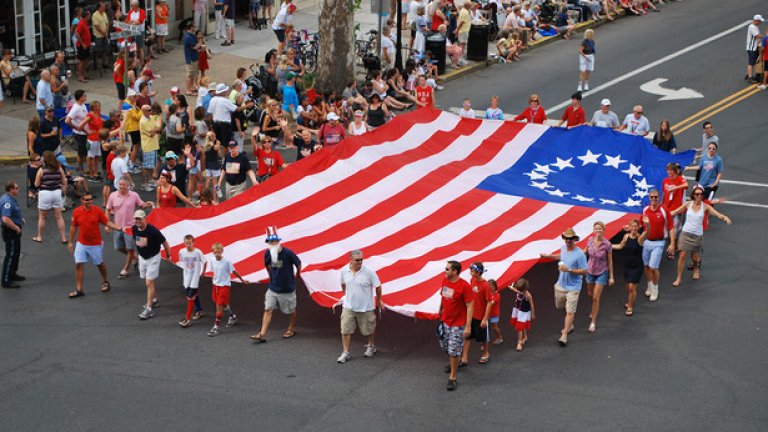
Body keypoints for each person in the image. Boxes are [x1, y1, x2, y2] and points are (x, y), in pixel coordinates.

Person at [670, 186, 732, 286]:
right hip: (686, 233)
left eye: (701, 194)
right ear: (693, 195)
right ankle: (679, 277)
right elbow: (675, 211)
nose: (699, 196)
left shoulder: (705, 206)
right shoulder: (688, 204)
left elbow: (717, 214)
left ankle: (696, 269)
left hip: (697, 236)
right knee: (682, 255)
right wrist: (663, 213)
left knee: (695, 258)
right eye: (697, 194)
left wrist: (724, 217)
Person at [250, 226, 302, 343]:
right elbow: (267, 265)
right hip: (273, 288)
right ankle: (262, 333)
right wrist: (271, 276)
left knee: (291, 310)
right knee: (268, 309)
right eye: (271, 242)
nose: (273, 243)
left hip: (287, 288)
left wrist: (298, 274)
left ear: (279, 241)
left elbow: (298, 263)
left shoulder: (288, 253)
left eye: (275, 241)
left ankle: (291, 328)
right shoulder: (267, 253)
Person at [67, 193, 124, 298]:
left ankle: (105, 281)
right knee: (78, 264)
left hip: (95, 244)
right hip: (81, 243)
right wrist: (70, 242)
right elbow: (73, 227)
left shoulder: (97, 211)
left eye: (91, 199)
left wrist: (119, 228)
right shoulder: (76, 212)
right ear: (82, 200)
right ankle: (79, 289)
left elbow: (106, 222)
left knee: (99, 264)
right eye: (87, 200)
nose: (90, 201)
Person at [540, 228, 587, 347]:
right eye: (566, 238)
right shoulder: (563, 249)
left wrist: (569, 270)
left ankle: (564, 334)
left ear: (574, 240)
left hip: (573, 287)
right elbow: (560, 257)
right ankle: (569, 325)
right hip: (561, 285)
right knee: (561, 307)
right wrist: (549, 256)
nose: (568, 240)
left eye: (570, 238)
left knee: (570, 311)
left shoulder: (580, 254)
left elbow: (585, 271)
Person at [336, 250, 382, 363]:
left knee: (369, 329)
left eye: (361, 259)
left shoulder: (369, 272)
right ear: (351, 260)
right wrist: (345, 295)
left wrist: (379, 300)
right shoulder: (344, 271)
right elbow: (343, 284)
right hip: (349, 307)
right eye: (357, 260)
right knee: (345, 329)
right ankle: (346, 352)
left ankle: (371, 346)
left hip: (366, 307)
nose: (360, 262)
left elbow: (378, 285)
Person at [106, 178, 153, 280]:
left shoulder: (134, 195)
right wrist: (107, 224)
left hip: (131, 227)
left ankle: (126, 269)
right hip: (117, 227)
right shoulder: (113, 196)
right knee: (118, 247)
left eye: (124, 185)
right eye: (120, 185)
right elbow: (108, 209)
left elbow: (141, 205)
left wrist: (147, 204)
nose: (121, 187)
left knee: (130, 249)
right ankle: (135, 257)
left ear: (128, 186)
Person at [438, 260, 472, 391]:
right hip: (446, 321)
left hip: (458, 324)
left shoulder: (465, 286)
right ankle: (455, 362)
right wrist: (440, 308)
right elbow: (443, 295)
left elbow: (470, 306)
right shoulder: (445, 281)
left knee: (453, 349)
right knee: (445, 345)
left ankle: (452, 378)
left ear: (455, 271)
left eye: (447, 269)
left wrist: (468, 326)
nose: (445, 271)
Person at [132, 209, 172, 320]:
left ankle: (149, 309)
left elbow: (165, 242)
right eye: (136, 219)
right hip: (142, 258)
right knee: (148, 281)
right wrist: (137, 254)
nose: (137, 221)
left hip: (153, 258)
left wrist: (168, 255)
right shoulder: (134, 228)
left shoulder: (153, 231)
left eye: (139, 219)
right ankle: (154, 300)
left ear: (145, 218)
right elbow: (137, 241)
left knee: (149, 282)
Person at [203, 242, 249, 336]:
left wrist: (242, 280)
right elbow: (214, 272)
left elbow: (234, 271)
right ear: (212, 252)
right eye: (215, 252)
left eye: (219, 252)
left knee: (219, 306)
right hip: (216, 286)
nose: (217, 254)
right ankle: (232, 316)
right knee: (224, 305)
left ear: (222, 251)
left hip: (224, 286)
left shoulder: (227, 262)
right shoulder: (212, 261)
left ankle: (216, 327)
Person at [642, 188, 675, 302]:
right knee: (646, 266)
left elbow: (671, 227)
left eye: (656, 197)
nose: (654, 199)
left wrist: (672, 244)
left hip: (659, 242)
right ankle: (650, 285)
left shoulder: (664, 210)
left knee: (653, 267)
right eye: (652, 197)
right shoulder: (645, 210)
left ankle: (655, 288)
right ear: (649, 198)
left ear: (659, 198)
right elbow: (642, 225)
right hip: (647, 242)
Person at [612, 219, 647, 316]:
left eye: (636, 226)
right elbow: (620, 246)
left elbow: (648, 232)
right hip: (627, 265)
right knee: (628, 287)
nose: (634, 228)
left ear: (638, 227)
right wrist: (608, 246)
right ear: (630, 227)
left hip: (637, 266)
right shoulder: (626, 236)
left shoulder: (640, 238)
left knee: (632, 287)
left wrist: (647, 223)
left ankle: (630, 306)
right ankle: (631, 300)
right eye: (632, 226)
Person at [584, 221, 614, 333]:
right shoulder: (590, 241)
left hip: (602, 272)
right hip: (590, 270)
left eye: (600, 229)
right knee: (590, 294)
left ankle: (593, 321)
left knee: (596, 297)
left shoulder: (607, 244)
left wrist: (611, 277)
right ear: (593, 230)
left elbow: (610, 261)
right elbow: (585, 252)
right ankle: (594, 309)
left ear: (603, 230)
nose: (598, 231)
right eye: (596, 229)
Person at [32, 151, 68, 244]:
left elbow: (36, 184)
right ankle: (63, 237)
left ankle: (39, 236)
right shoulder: (59, 169)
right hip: (56, 192)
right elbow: (64, 182)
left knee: (42, 217)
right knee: (59, 217)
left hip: (45, 193)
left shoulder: (41, 170)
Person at [461, 262, 492, 365]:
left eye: (473, 270)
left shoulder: (486, 285)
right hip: (471, 314)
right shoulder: (472, 280)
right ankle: (464, 358)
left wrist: (485, 318)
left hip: (481, 316)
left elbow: (489, 302)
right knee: (467, 335)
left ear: (478, 273)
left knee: (483, 337)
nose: (471, 272)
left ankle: (485, 353)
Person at [1, 181, 25, 288]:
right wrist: (16, 227)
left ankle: (12, 274)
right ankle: (6, 280)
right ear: (11, 189)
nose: (18, 189)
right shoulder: (7, 201)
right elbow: (5, 219)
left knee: (16, 253)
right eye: (16, 188)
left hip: (14, 229)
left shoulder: (10, 198)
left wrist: (20, 220)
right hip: (10, 231)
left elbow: (12, 213)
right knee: (10, 255)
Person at [178, 235, 206, 327]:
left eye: (189, 243)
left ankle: (187, 319)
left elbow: (205, 262)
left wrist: (203, 272)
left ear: (193, 242)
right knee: (193, 295)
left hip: (194, 278)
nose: (188, 245)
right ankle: (199, 310)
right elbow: (181, 262)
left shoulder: (198, 252)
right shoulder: (181, 252)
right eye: (186, 243)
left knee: (190, 297)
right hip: (186, 278)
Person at [65, 90, 89, 173]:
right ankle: (80, 169)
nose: (86, 97)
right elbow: (67, 120)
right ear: (80, 97)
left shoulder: (83, 105)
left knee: (84, 151)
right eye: (84, 95)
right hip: (80, 134)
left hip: (85, 132)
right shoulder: (76, 108)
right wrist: (76, 127)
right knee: (80, 152)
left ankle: (82, 168)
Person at [508, 278, 535, 351]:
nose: (518, 291)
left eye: (520, 290)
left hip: (523, 312)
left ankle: (519, 342)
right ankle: (525, 337)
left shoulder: (528, 296)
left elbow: (531, 304)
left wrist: (533, 313)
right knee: (521, 325)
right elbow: (515, 290)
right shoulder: (519, 290)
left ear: (524, 289)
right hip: (518, 310)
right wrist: (510, 286)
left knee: (519, 327)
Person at [139, 104, 162, 191]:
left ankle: (151, 180)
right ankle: (144, 183)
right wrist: (156, 129)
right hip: (147, 146)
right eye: (148, 110)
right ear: (144, 111)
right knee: (145, 166)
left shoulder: (150, 117)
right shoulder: (143, 121)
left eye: (151, 109)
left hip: (153, 145)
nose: (151, 111)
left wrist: (156, 129)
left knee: (152, 165)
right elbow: (152, 133)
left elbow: (158, 128)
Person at [183, 22, 201, 96]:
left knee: (194, 74)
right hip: (190, 59)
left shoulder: (192, 35)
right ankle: (188, 90)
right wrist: (200, 41)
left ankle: (193, 88)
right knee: (190, 75)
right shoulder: (188, 37)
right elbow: (195, 47)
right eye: (194, 26)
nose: (195, 28)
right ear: (190, 28)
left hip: (194, 58)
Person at [75, 9, 92, 83]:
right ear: (86, 16)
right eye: (89, 15)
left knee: (86, 60)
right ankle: (80, 76)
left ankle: (83, 74)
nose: (90, 16)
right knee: (82, 61)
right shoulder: (81, 23)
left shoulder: (85, 22)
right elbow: (77, 34)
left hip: (87, 45)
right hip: (82, 46)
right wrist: (82, 43)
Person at [746, 15, 764, 82]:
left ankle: (748, 74)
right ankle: (750, 77)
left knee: (754, 61)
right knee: (751, 62)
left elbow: (757, 37)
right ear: (756, 20)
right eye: (759, 21)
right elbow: (757, 35)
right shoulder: (752, 27)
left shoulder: (755, 26)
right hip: (751, 48)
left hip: (754, 47)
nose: (760, 23)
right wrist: (765, 37)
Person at [487, 279, 503, 345]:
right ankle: (485, 343)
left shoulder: (497, 295)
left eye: (491, 285)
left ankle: (500, 337)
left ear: (495, 286)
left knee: (494, 327)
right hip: (487, 313)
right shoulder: (488, 294)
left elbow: (491, 303)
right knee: (486, 328)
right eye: (488, 286)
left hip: (494, 314)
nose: (490, 287)